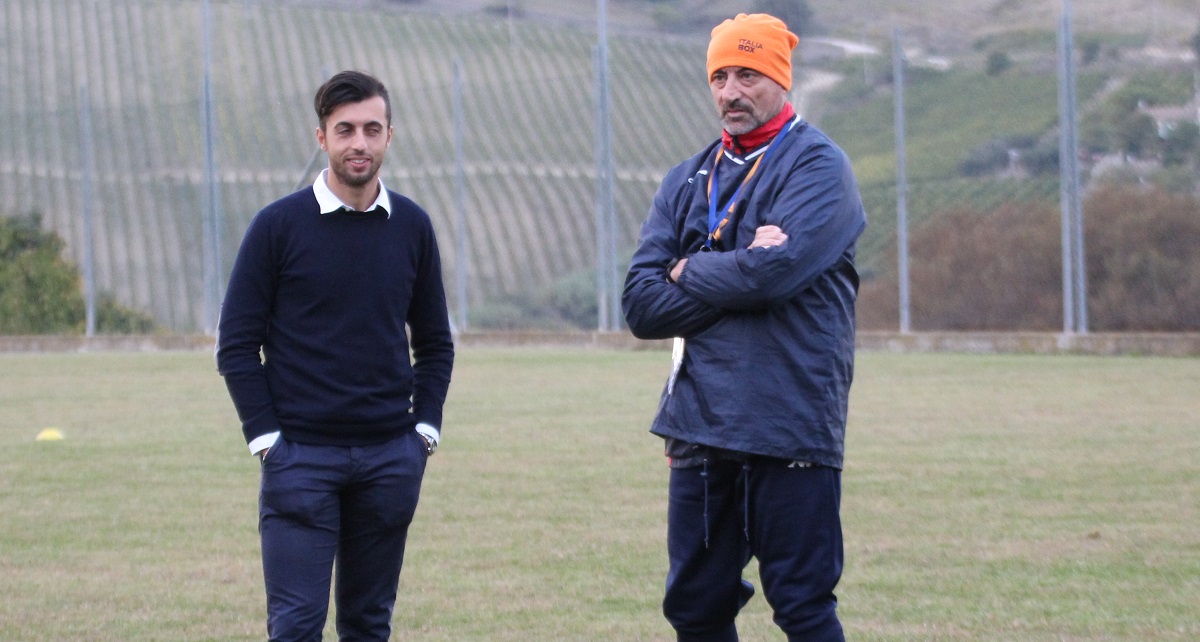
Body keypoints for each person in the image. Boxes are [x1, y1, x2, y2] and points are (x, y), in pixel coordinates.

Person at [622, 13, 866, 642]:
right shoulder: (686, 179)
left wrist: (686, 269)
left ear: (781, 79)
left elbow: (771, 278)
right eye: (720, 77)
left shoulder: (819, 168)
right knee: (695, 610)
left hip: (790, 424)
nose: (731, 92)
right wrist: (739, 270)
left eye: (748, 75)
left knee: (803, 607)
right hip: (698, 427)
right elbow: (641, 306)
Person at [215, 70, 454, 642]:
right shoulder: (277, 227)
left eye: (372, 129)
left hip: (390, 460)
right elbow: (236, 344)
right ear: (321, 137)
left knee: (369, 625)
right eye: (345, 130)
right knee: (296, 628)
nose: (359, 143)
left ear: (389, 136)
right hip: (300, 460)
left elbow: (434, 342)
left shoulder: (413, 227)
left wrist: (423, 432)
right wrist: (267, 440)